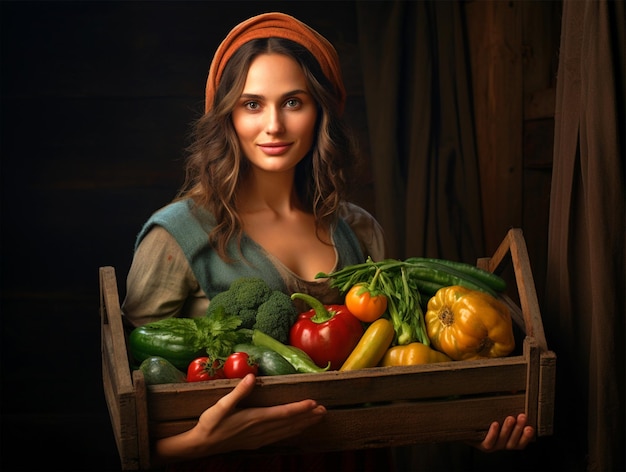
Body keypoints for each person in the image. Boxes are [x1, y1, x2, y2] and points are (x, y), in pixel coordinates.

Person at [121, 12, 535, 470]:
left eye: (293, 102)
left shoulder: (358, 230)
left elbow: (403, 369)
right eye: (252, 104)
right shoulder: (176, 235)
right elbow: (134, 418)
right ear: (227, 116)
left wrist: (472, 422)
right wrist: (200, 443)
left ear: (320, 111)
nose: (274, 125)